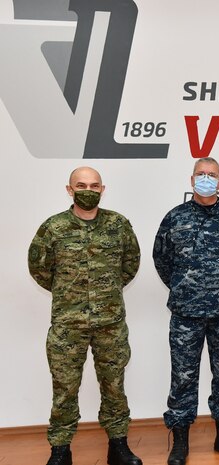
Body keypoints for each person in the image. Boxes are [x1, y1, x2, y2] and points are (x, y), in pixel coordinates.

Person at [28, 167, 142, 465]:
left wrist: (106, 293)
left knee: (114, 385)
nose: (87, 190)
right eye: (81, 185)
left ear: (103, 189)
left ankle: (118, 446)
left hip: (110, 323)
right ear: (70, 189)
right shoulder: (53, 228)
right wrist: (69, 294)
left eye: (94, 185)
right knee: (64, 389)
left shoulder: (118, 225)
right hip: (68, 326)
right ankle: (60, 450)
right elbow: (39, 269)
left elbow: (130, 265)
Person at [153, 158, 219, 464]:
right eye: (202, 174)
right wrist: (184, 285)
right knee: (183, 377)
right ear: (192, 179)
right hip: (186, 313)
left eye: (213, 175)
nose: (207, 179)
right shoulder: (175, 217)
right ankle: (181, 439)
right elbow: (161, 259)